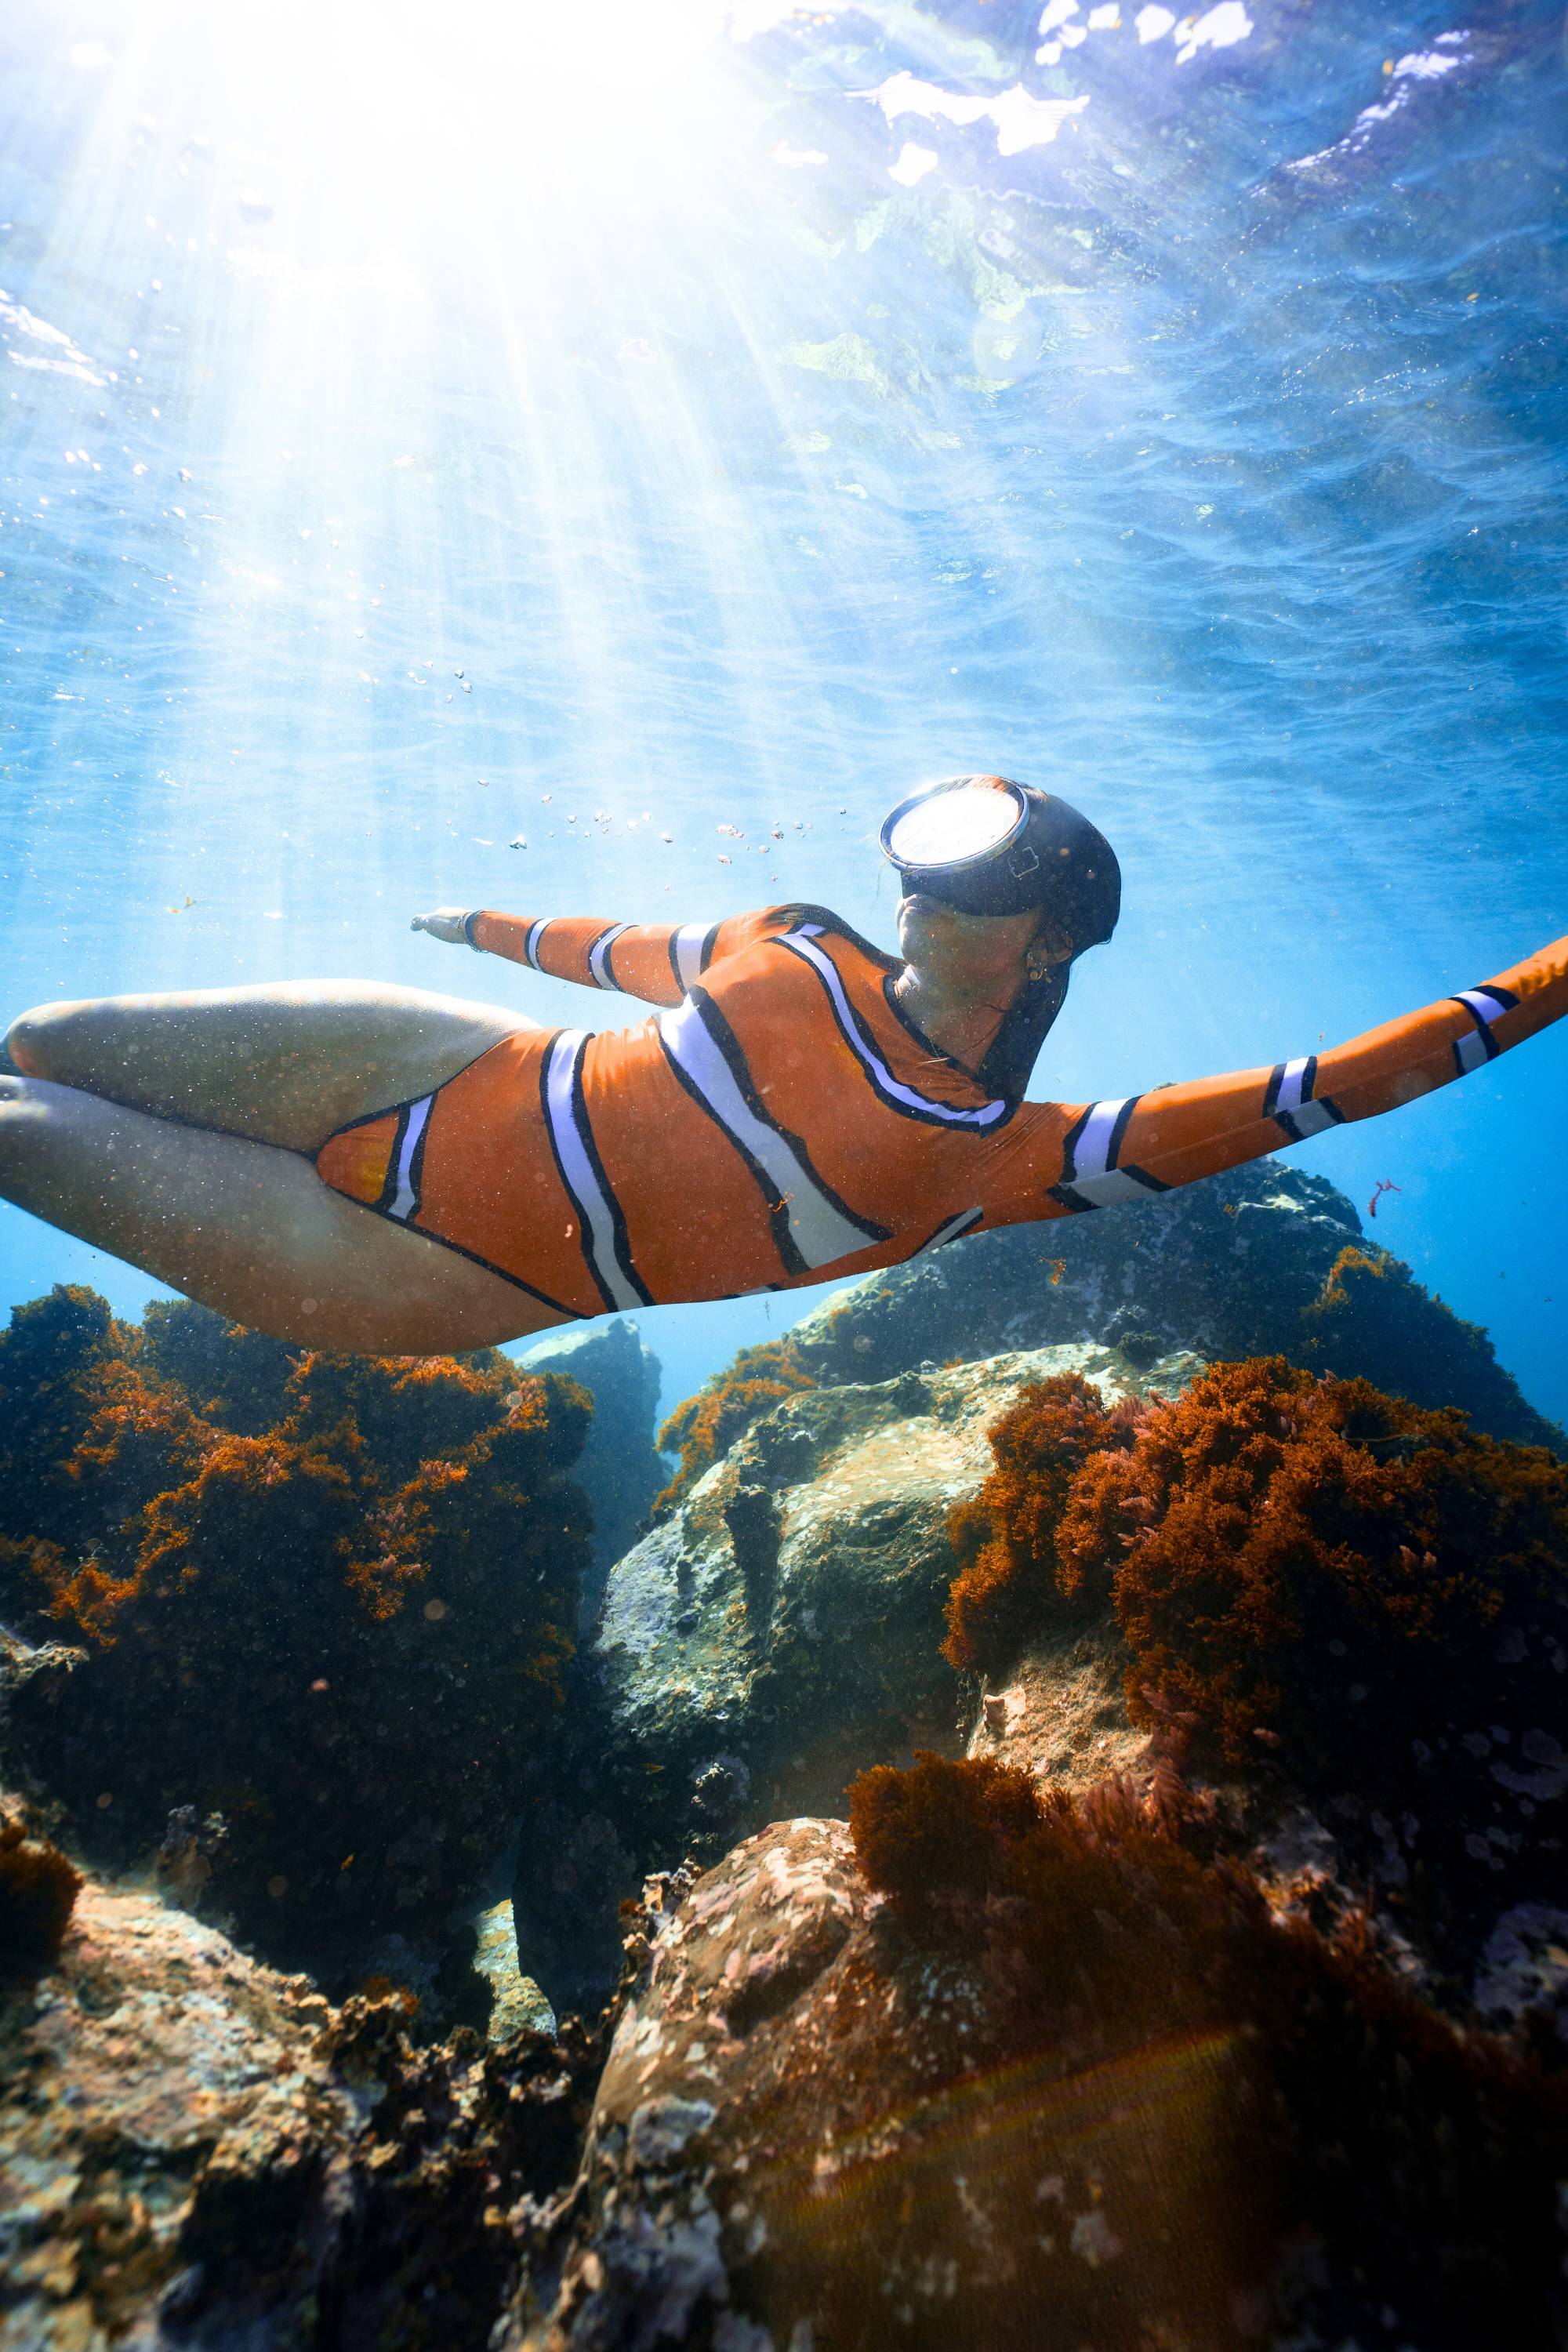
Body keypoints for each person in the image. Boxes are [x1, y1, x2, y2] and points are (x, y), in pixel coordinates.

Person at [1, 775, 1563, 1356]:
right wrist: (469, 919)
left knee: (13, 1124)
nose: (916, 889)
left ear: (1039, 946)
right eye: (923, 857)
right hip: (451, 1063)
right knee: (46, 1042)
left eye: (969, 879)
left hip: (435, 1279)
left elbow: (1350, 1081)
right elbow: (624, 953)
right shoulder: (797, 938)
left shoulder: (1012, 1156)